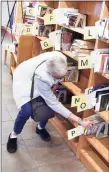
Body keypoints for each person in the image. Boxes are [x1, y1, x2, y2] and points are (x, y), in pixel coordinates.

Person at [7, 51, 93, 153]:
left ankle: (40, 128)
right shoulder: (42, 77)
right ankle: (13, 135)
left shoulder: (60, 58)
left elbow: (52, 97)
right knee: (26, 111)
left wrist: (55, 83)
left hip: (37, 75)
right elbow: (54, 103)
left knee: (47, 109)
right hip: (24, 78)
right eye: (58, 77)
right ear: (50, 74)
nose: (60, 79)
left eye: (62, 76)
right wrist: (79, 120)